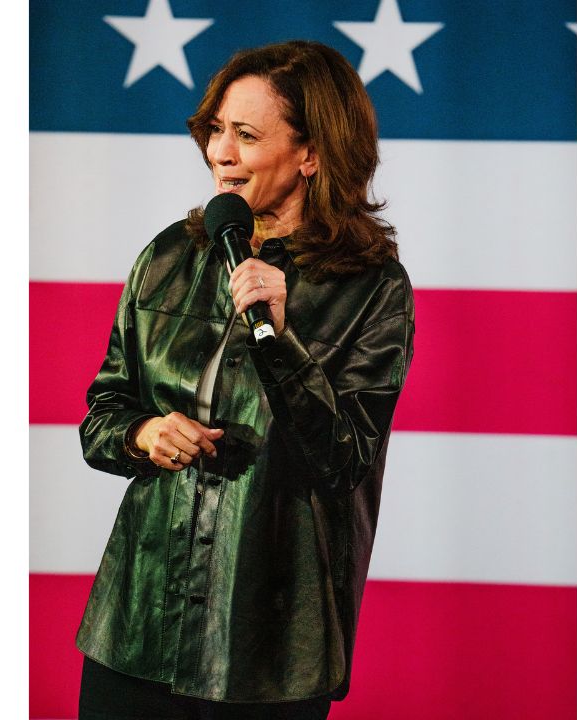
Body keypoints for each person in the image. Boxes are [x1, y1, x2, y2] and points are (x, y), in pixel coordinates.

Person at [75, 40, 414, 720]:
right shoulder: (168, 257)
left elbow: (343, 460)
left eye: (247, 136)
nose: (220, 153)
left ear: (311, 153)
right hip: (136, 632)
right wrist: (144, 434)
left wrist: (280, 340)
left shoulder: (373, 288)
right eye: (215, 130)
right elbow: (101, 417)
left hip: (269, 653)